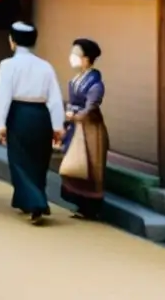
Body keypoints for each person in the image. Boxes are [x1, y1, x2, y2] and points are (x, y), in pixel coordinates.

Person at [0, 22, 65, 225]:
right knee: (38, 160)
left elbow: (4, 96)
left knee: (19, 160)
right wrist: (57, 126)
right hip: (41, 115)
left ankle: (36, 203)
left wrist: (1, 124)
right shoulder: (45, 66)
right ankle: (26, 200)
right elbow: (55, 98)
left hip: (19, 114)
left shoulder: (8, 65)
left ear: (13, 41)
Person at [61, 38, 109, 220]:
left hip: (90, 129)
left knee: (90, 164)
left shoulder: (95, 83)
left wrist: (78, 115)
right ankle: (80, 203)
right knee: (76, 162)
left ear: (87, 59)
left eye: (76, 54)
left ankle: (90, 208)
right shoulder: (76, 79)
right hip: (76, 126)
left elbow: (92, 105)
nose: (72, 57)